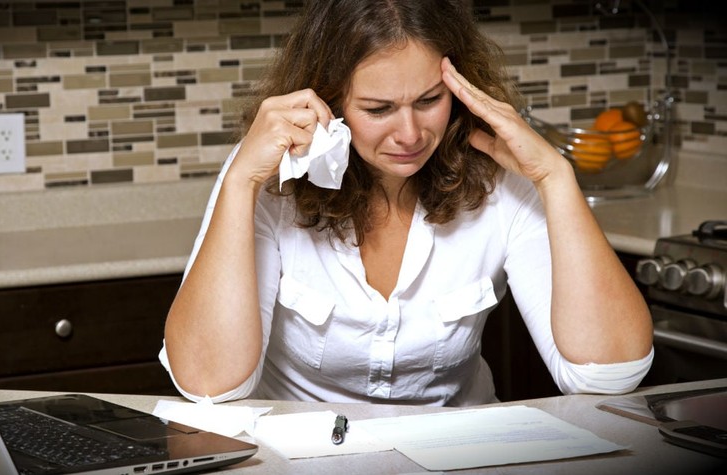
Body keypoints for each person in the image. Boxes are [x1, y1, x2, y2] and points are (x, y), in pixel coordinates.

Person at [159, 0, 654, 405]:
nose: (411, 135)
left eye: (429, 100)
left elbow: (608, 375)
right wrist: (241, 179)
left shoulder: (505, 177)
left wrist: (556, 177)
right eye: (378, 109)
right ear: (328, 102)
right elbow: (209, 385)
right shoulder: (269, 177)